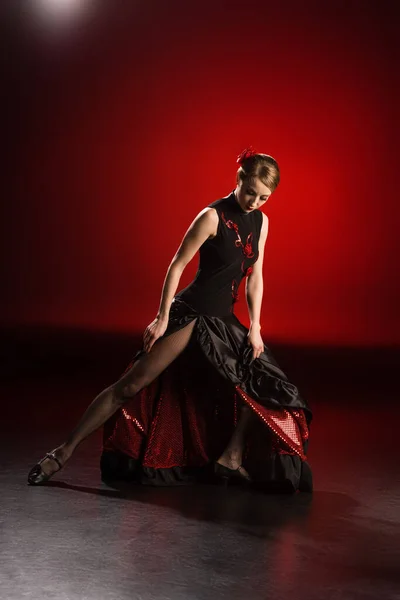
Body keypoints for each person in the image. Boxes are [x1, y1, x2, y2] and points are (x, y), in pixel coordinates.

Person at [28, 148, 313, 493]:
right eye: (250, 192)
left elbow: (256, 276)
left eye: (264, 197)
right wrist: (162, 318)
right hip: (190, 314)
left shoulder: (262, 221)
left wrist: (255, 326)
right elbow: (177, 265)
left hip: (223, 320)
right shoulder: (211, 216)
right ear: (238, 180)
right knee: (130, 386)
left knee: (267, 385)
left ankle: (231, 457)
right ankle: (61, 452)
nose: (255, 201)